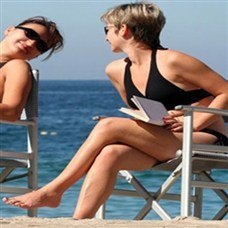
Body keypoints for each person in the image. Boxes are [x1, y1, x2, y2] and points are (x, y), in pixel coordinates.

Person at [3, 2, 228, 219]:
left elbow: (225, 91)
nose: (105, 36)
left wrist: (196, 120)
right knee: (111, 153)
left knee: (108, 125)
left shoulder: (173, 61)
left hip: (206, 140)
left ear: (124, 29)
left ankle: (53, 190)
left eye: (107, 29)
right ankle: (80, 221)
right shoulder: (117, 71)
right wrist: (131, 122)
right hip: (166, 141)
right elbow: (143, 112)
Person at [0, 16, 63, 121]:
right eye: (30, 34)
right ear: (9, 30)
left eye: (40, 45)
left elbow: (11, 112)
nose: (31, 43)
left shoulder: (16, 67)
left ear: (36, 56)